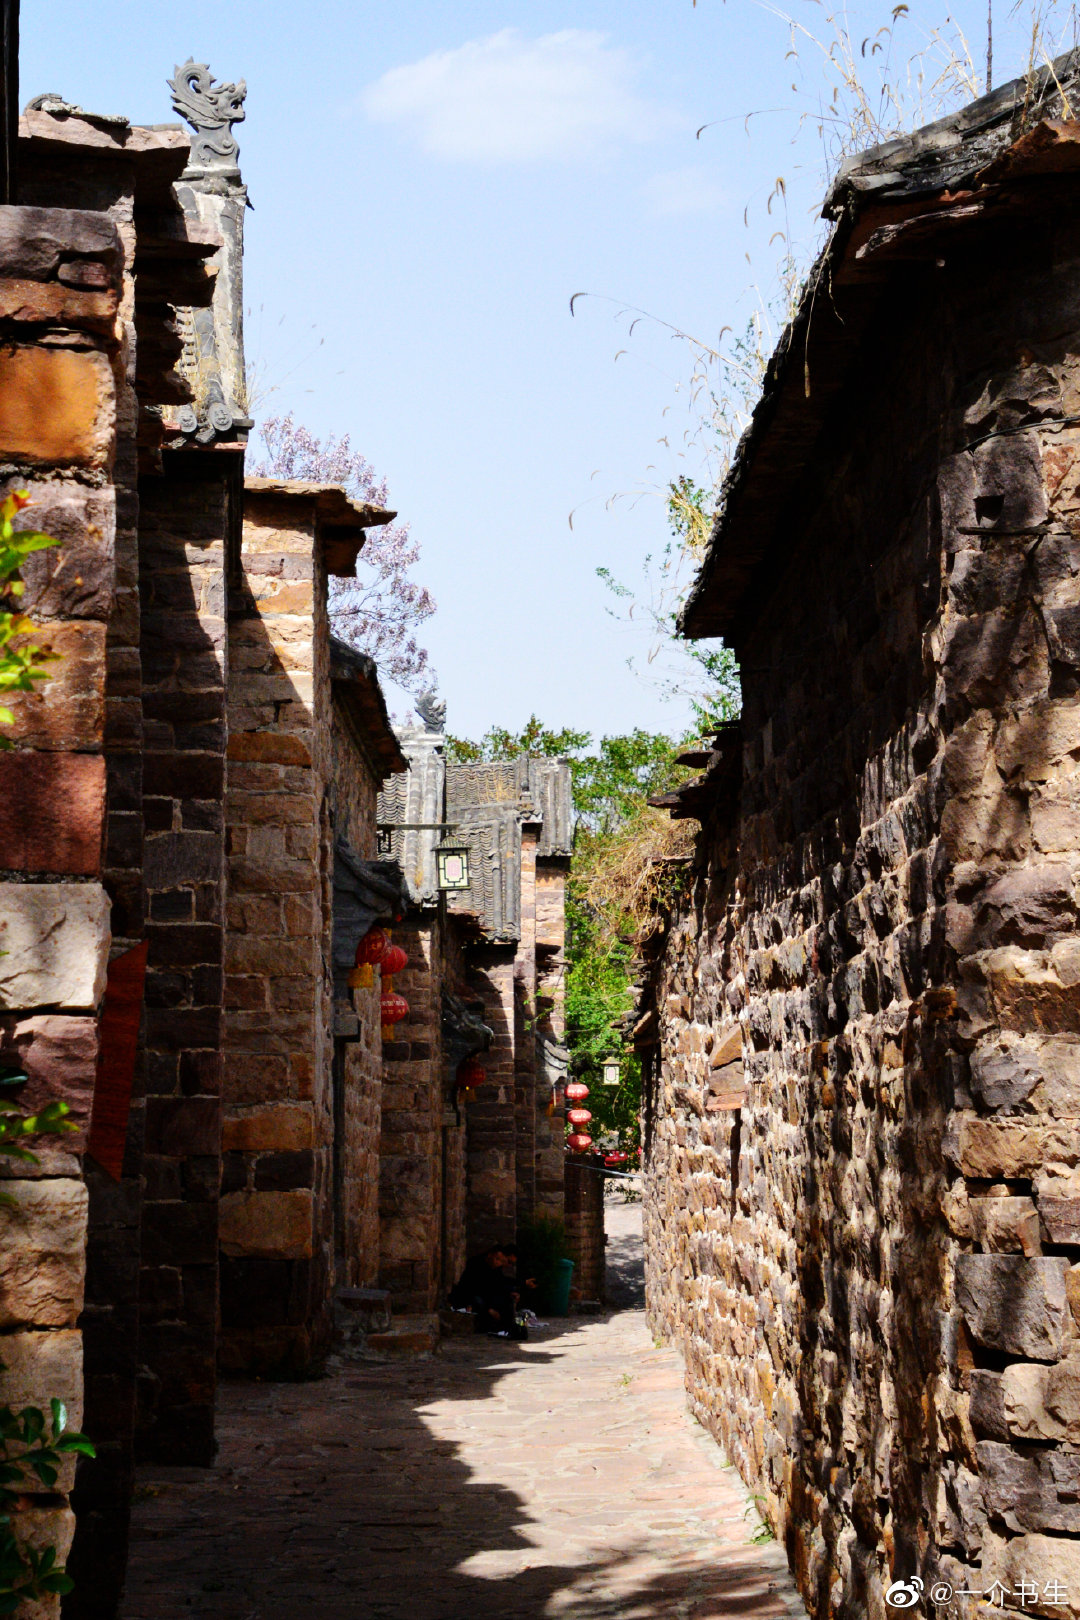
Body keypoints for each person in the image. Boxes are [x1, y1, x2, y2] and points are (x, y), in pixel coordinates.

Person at [449, 1247, 526, 1339]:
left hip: (486, 1297)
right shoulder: (475, 1264)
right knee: (478, 1302)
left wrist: (509, 1292)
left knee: (507, 1300)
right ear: (490, 1255)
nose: (498, 1263)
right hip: (470, 1296)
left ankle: (508, 1328)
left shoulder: (495, 1269)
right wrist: (489, 1309)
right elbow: (473, 1289)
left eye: (500, 1261)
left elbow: (498, 1284)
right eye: (497, 1259)